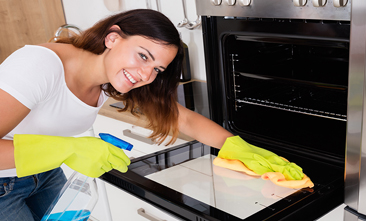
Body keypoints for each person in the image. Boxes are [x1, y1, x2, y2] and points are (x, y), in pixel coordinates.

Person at [0, 9, 305, 221]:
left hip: (44, 173)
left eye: (157, 68)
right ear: (113, 38)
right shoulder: (38, 66)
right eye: (143, 55)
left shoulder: (111, 75)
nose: (145, 74)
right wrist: (67, 149)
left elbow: (181, 118)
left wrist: (235, 146)